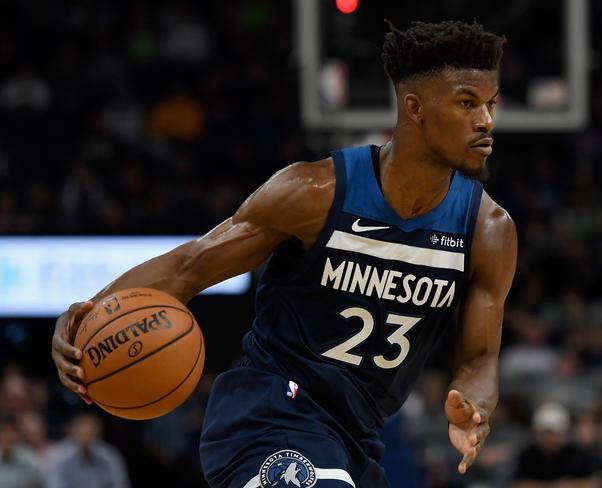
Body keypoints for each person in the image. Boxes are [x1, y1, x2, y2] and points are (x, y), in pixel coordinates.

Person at [51, 20, 517, 487]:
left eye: (490, 104)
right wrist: (86, 319)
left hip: (354, 438)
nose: (486, 121)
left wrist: (474, 405)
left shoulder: (488, 231)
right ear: (414, 107)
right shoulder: (314, 192)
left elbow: (478, 359)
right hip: (271, 411)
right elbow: (189, 267)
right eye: (467, 103)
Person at [45, 413, 131, 488]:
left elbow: (120, 483)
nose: (87, 439)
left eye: (91, 435)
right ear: (73, 432)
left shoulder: (109, 454)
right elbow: (54, 485)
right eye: (83, 434)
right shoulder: (57, 454)